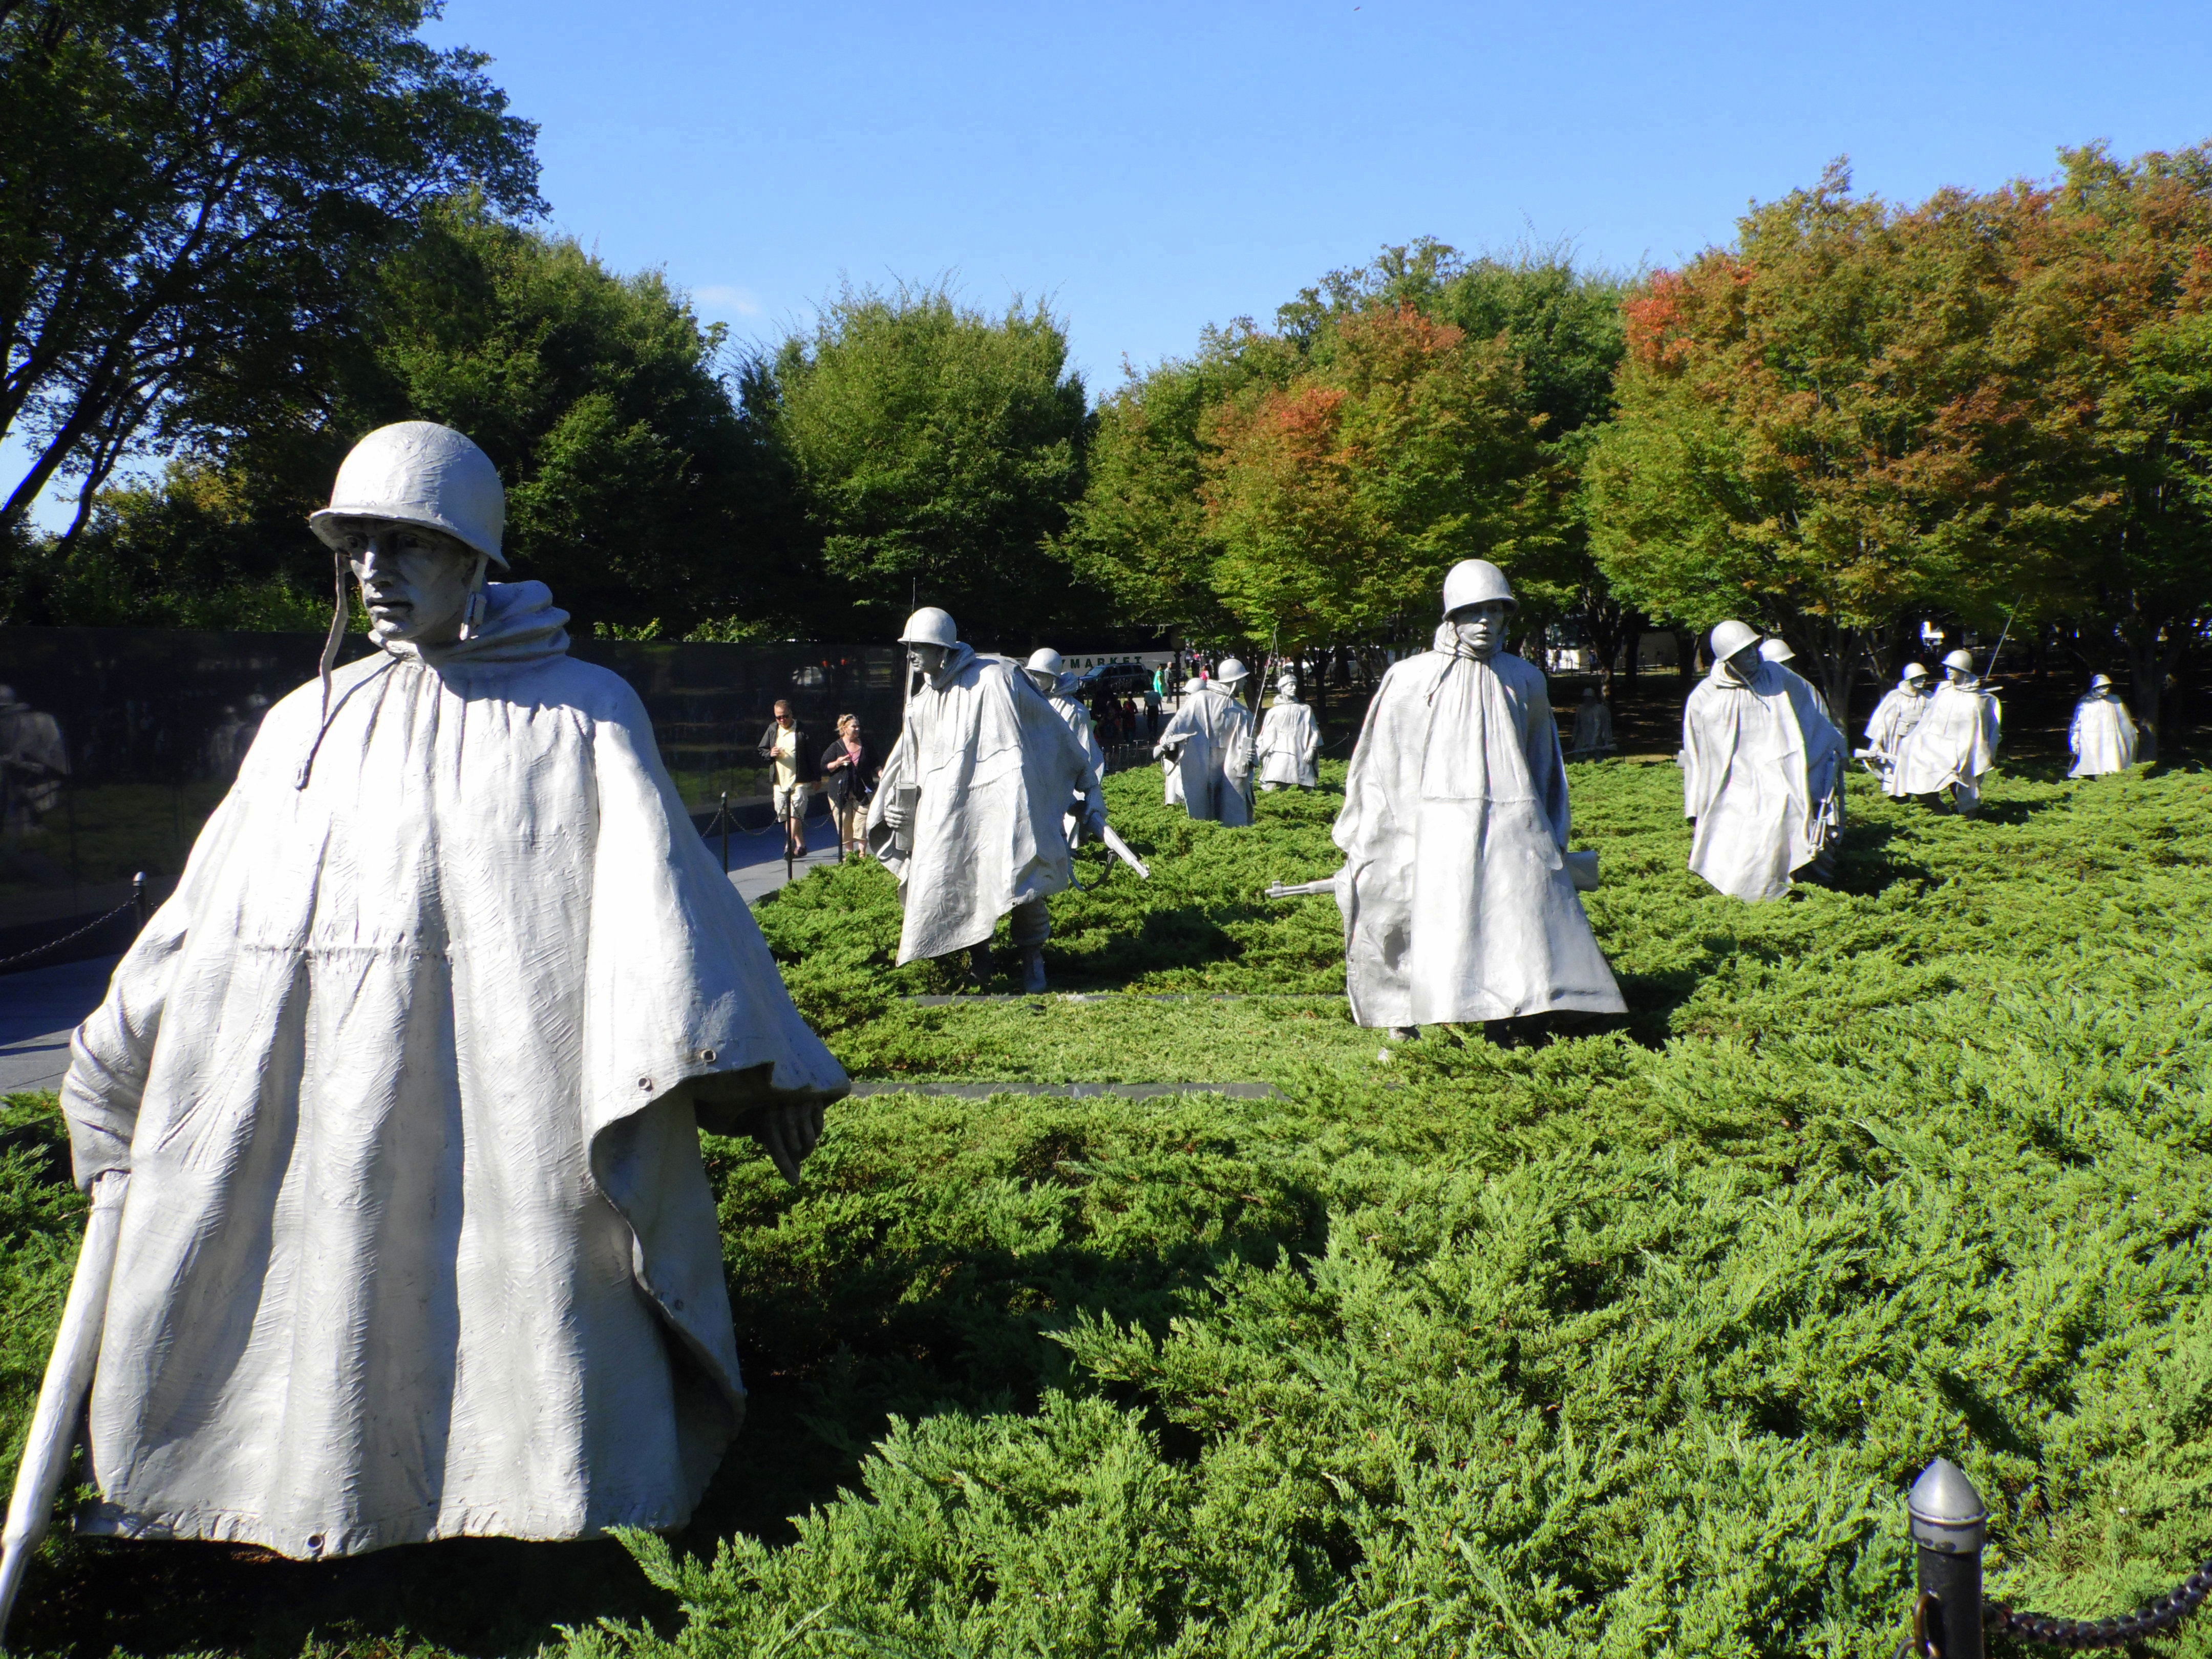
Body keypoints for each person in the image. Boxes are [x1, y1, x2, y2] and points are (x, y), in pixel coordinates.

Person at [53, 421, 847, 1563]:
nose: (377, 571)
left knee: (532, 1313)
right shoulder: (302, 726)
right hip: (325, 1104)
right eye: (360, 546)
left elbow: (668, 907)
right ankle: (319, 1512)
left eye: (410, 545)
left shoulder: (581, 711)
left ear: (476, 562)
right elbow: (202, 915)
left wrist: (767, 1061)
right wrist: (116, 1052)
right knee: (335, 1295)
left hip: (516, 1105)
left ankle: (551, 1522)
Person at [1330, 559, 1625, 1043]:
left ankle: (1515, 1015)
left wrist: (1550, 830)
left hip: (1512, 821)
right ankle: (1405, 1019)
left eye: (1496, 611)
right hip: (1432, 824)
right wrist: (1381, 833)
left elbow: (1544, 761)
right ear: (1452, 618)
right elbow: (1383, 765)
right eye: (1474, 611)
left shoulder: (1524, 678)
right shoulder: (1409, 678)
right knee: (1412, 914)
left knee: (1515, 918)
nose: (1486, 622)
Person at [868, 610, 1096, 994]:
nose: (912, 655)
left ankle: (1032, 959)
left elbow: (1049, 729)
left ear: (943, 649)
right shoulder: (921, 701)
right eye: (910, 647)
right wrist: (893, 806)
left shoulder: (997, 678)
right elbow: (906, 762)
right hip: (945, 813)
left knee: (1021, 876)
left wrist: (1088, 784)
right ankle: (979, 959)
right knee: (960, 881)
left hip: (1003, 802)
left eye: (920, 647)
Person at [1681, 619, 1848, 901]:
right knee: (1738, 836)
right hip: (1734, 783)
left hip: (1780, 775)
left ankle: (1783, 890)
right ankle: (1748, 898)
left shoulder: (1778, 676)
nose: (1753, 655)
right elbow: (1697, 755)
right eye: (1743, 652)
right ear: (1728, 659)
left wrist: (1834, 746)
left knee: (1783, 817)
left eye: (1753, 648)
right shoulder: (1705, 698)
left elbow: (1811, 715)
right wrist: (1696, 802)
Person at [1894, 647, 2001, 814]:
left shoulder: (1978, 700)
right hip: (1937, 748)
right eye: (1947, 668)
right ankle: (1944, 814)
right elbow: (1929, 721)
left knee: (1965, 789)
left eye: (1953, 669)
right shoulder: (1943, 690)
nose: (1948, 671)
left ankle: (1967, 819)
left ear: (1963, 671)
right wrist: (1913, 741)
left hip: (1964, 752)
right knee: (1917, 773)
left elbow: (1979, 733)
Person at [1154, 656, 1256, 823]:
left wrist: (1251, 756)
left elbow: (1248, 747)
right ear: (1234, 680)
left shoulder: (1244, 713)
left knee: (1230, 815)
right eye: (1242, 678)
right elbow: (1179, 721)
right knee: (1204, 812)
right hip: (1203, 762)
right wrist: (1166, 738)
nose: (1245, 682)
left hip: (1230, 767)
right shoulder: (1201, 698)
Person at [1025, 648, 1109, 846]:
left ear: (1053, 678)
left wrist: (1089, 791)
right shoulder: (1032, 702)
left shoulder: (1075, 711)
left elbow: (1086, 755)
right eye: (1033, 674)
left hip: (1062, 782)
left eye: (1040, 675)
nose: (1035, 679)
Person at [756, 698, 818, 861]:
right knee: (785, 815)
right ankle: (801, 845)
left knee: (796, 813)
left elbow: (813, 754)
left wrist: (816, 777)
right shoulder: (772, 729)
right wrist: (771, 753)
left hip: (800, 780)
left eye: (785, 716)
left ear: (791, 714)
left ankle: (788, 845)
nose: (782, 720)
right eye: (778, 717)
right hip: (779, 781)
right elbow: (762, 750)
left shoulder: (802, 730)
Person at [1860, 663, 1932, 796]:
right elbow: (1882, 721)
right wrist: (1877, 742)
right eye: (1919, 678)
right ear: (1910, 679)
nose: (1923, 681)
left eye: (1924, 677)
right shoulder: (1895, 697)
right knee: (1895, 775)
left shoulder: (1927, 697)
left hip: (1919, 743)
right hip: (1898, 742)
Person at [820, 713, 881, 858]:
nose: (857, 729)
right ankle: (849, 855)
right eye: (854, 726)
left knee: (862, 823)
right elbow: (824, 766)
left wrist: (881, 773)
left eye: (859, 726)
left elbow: (875, 763)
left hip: (863, 792)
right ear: (845, 728)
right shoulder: (836, 747)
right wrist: (838, 763)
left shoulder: (865, 745)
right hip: (842, 793)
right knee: (845, 824)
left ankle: (862, 854)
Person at [1255, 671, 1320, 790]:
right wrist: (1257, 756)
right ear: (1282, 689)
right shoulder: (1274, 712)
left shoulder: (1306, 710)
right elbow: (1267, 738)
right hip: (1281, 757)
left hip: (1302, 756)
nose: (1294, 688)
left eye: (1295, 684)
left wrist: (1311, 749)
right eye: (1290, 685)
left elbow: (1315, 732)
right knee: (1276, 787)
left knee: (1306, 791)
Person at [2068, 673, 2138, 777]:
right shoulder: (2085, 703)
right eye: (2103, 687)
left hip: (2112, 739)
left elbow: (2124, 719)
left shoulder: (2115, 700)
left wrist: (2132, 732)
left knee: (2114, 764)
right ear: (2096, 688)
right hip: (2092, 740)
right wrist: (2075, 742)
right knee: (2096, 767)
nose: (2106, 689)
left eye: (2108, 687)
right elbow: (2077, 724)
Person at [1568, 685, 1614, 758]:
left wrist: (1594, 741)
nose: (1587, 700)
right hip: (1583, 736)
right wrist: (1574, 739)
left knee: (1598, 756)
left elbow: (1598, 726)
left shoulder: (1598, 710)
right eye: (1586, 698)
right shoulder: (1580, 709)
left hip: (1596, 737)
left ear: (1593, 698)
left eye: (1589, 698)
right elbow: (1577, 725)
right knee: (1579, 756)